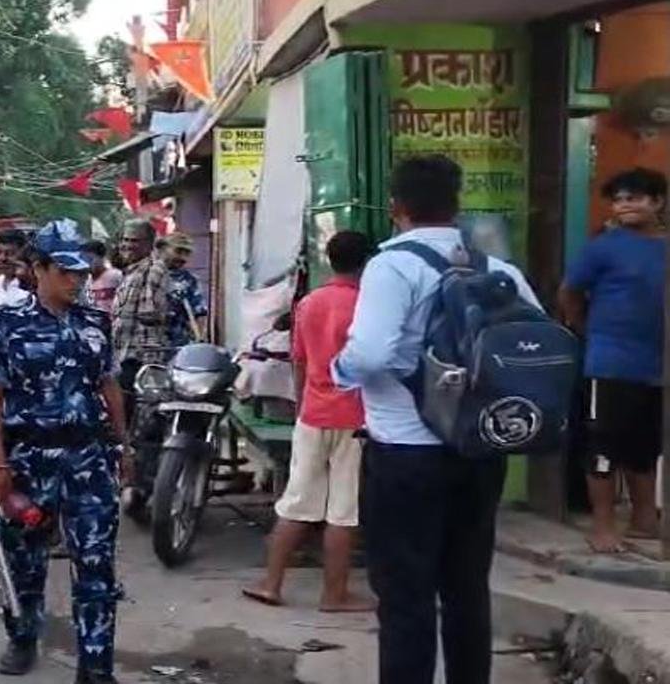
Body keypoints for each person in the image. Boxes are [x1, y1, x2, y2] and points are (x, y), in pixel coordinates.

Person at [333, 156, 541, 684]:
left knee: (406, 594)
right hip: (478, 451)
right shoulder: (499, 270)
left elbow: (371, 354)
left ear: (396, 207)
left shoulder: (392, 266)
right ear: (455, 204)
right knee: (468, 588)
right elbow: (533, 346)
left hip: (405, 453)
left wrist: (340, 369)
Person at [0, 220, 129, 684]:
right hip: (28, 460)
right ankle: (23, 637)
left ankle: (95, 666)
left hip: (88, 459)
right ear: (37, 268)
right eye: (64, 271)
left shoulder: (95, 321)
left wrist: (124, 445)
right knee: (25, 562)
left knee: (96, 564)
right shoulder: (5, 323)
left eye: (81, 272)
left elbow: (108, 385)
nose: (75, 280)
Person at [243, 231, 374, 613]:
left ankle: (271, 584)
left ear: (330, 260)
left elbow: (299, 362)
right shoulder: (367, 305)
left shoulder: (309, 303)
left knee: (296, 503)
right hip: (354, 417)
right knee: (343, 511)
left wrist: (303, 407)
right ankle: (335, 595)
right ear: (366, 263)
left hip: (313, 414)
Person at [559, 168, 667, 554]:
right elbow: (570, 293)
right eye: (618, 199)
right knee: (603, 446)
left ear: (657, 202)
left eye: (633, 198)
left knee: (645, 447)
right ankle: (602, 528)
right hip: (609, 362)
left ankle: (644, 520)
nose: (624, 206)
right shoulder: (602, 247)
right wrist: (588, 331)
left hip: (657, 366)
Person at [112, 219, 172, 384]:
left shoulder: (153, 269)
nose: (127, 245)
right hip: (123, 354)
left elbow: (150, 314)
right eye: (125, 240)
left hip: (140, 358)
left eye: (134, 241)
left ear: (149, 244)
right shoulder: (131, 272)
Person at [159, 233, 208, 347]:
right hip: (144, 344)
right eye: (178, 251)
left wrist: (200, 338)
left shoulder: (189, 280)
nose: (183, 258)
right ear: (163, 249)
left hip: (177, 344)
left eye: (187, 253)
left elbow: (199, 313)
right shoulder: (143, 274)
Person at [82, 240, 123, 313]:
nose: (87, 263)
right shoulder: (85, 281)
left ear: (101, 258)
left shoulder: (116, 275)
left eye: (91, 259)